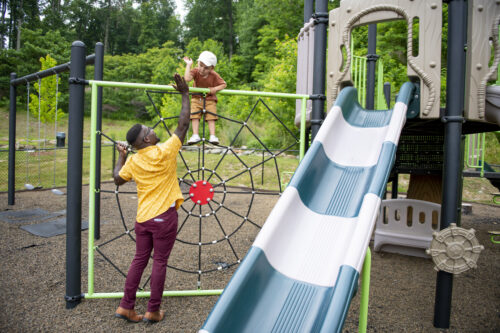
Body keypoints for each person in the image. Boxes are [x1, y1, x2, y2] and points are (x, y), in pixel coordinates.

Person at [113, 73, 190, 324]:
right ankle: (153, 310)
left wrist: (122, 156)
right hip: (163, 218)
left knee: (139, 260)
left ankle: (126, 306)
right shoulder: (164, 151)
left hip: (143, 219)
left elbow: (117, 179)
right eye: (150, 130)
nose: (153, 129)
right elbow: (183, 126)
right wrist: (185, 94)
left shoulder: (134, 161)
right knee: (160, 262)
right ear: (147, 139)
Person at [183, 50, 227, 145]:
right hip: (196, 97)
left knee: (211, 116)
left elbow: (223, 84)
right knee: (194, 115)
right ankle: (195, 135)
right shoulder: (195, 71)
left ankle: (212, 136)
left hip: (210, 99)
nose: (202, 69)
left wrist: (214, 89)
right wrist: (188, 65)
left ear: (212, 68)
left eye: (206, 68)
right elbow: (187, 79)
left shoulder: (214, 75)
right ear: (197, 63)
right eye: (200, 65)